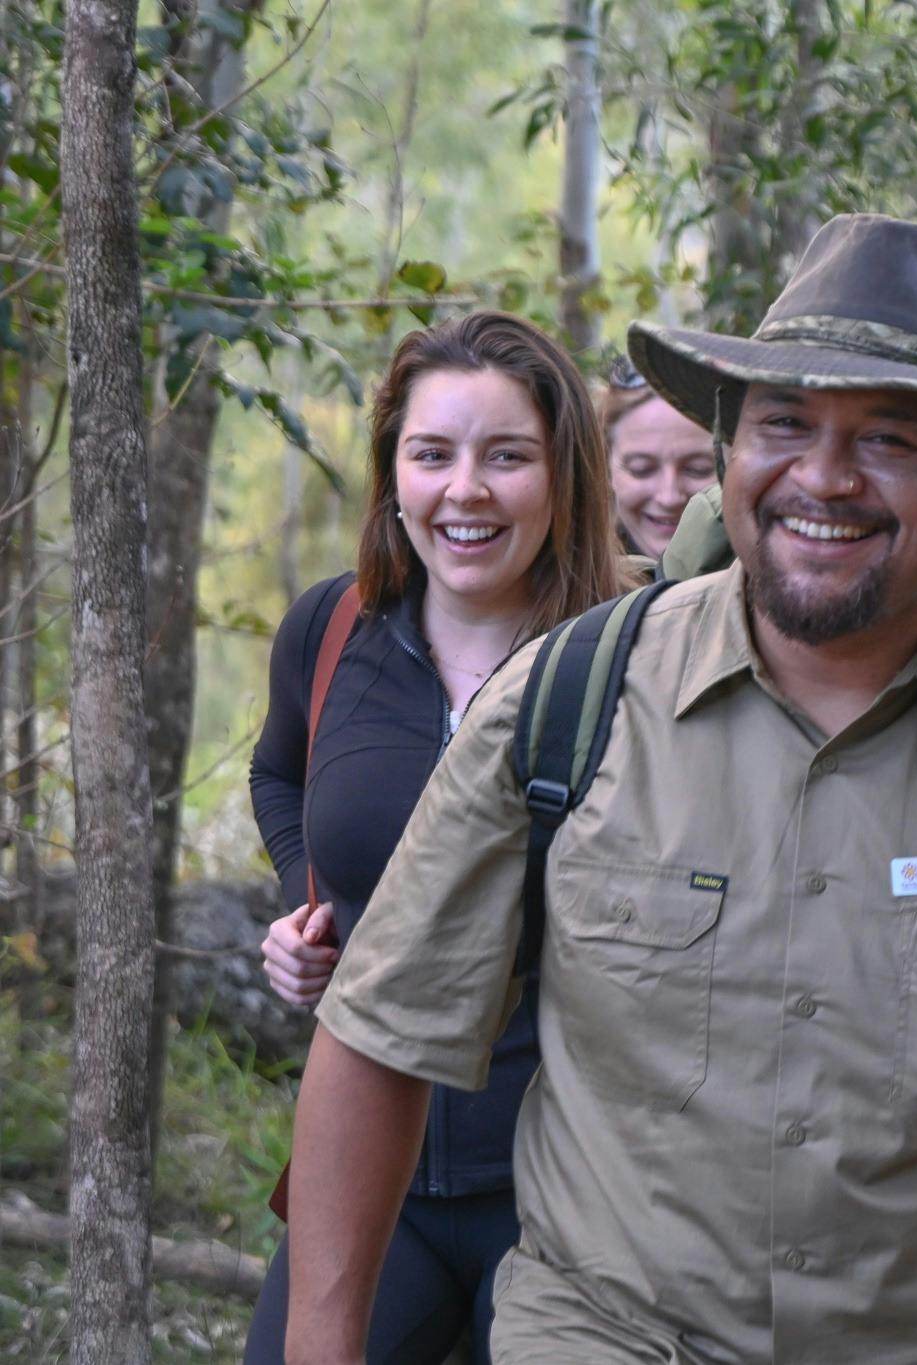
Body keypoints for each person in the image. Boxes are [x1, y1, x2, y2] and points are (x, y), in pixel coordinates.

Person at [279, 214, 917, 1365]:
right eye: (783, 423)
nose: (822, 476)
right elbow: (380, 1035)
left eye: (887, 437)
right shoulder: (571, 701)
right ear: (726, 449)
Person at [245, 311, 629, 1364]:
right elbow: (278, 771)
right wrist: (309, 901)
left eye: (506, 457)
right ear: (392, 475)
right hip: (375, 1186)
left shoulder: (630, 666)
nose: (465, 490)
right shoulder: (331, 634)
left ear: (563, 478)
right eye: (431, 454)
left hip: (569, 1191)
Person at [599, 357, 717, 557]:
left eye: (698, 469)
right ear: (606, 468)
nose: (669, 498)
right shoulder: (569, 582)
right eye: (641, 469)